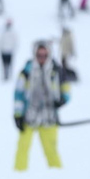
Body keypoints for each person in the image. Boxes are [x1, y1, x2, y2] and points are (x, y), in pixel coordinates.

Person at [13, 41, 70, 171]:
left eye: (45, 55)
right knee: (22, 148)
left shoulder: (57, 70)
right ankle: (18, 175)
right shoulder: (26, 71)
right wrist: (18, 115)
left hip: (49, 117)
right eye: (39, 55)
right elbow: (18, 94)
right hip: (29, 116)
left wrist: (63, 99)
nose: (42, 58)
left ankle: (58, 175)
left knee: (51, 149)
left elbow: (66, 87)